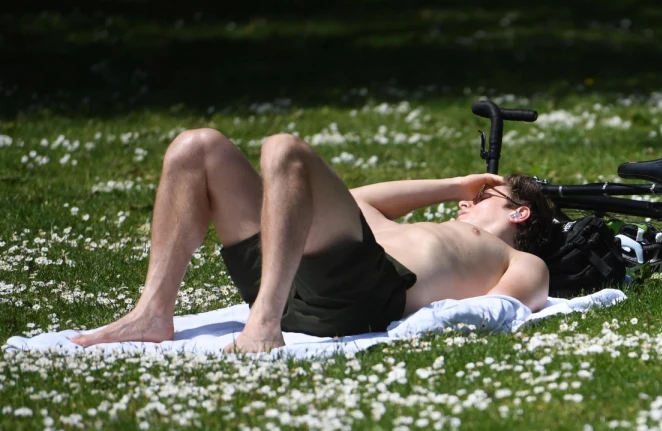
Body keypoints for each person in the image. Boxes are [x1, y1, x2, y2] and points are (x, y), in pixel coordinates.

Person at [69, 128, 560, 353]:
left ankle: (262, 324)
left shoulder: (512, 258)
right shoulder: (417, 228)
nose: (464, 202)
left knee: (285, 149)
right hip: (290, 277)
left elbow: (498, 311)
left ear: (520, 211)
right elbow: (349, 197)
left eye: (481, 195)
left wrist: (420, 326)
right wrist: (456, 183)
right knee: (196, 148)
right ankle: (153, 312)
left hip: (358, 293)